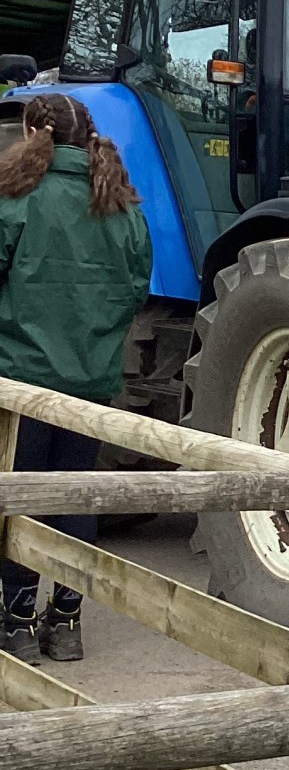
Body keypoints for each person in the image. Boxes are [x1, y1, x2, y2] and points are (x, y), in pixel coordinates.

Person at [0, 94, 152, 664]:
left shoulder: (15, 198)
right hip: (91, 380)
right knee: (76, 496)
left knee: (22, 497)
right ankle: (66, 623)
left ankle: (15, 622)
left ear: (33, 131)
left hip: (21, 381)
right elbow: (137, 289)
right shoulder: (120, 205)